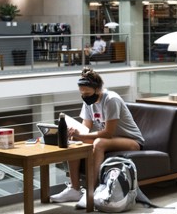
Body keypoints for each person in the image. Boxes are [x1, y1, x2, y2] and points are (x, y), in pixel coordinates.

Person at [50, 67, 144, 203]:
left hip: (132, 141)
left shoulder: (111, 100)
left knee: (99, 143)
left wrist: (81, 136)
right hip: (111, 140)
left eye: (87, 94)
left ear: (98, 89)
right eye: (82, 94)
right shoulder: (88, 102)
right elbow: (85, 128)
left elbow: (108, 133)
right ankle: (74, 189)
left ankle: (91, 191)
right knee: (75, 142)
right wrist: (75, 134)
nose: (84, 97)